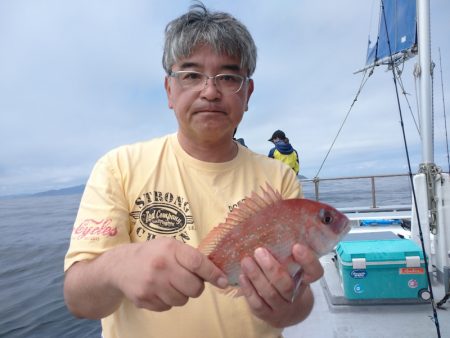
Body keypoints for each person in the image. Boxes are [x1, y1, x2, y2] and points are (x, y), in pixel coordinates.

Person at [63, 3, 323, 338]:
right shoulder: (118, 168)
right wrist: (116, 266)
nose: (210, 91)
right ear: (169, 90)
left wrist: (285, 304)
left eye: (228, 77)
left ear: (248, 93)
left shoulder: (279, 178)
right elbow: (78, 300)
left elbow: (299, 305)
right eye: (190, 75)